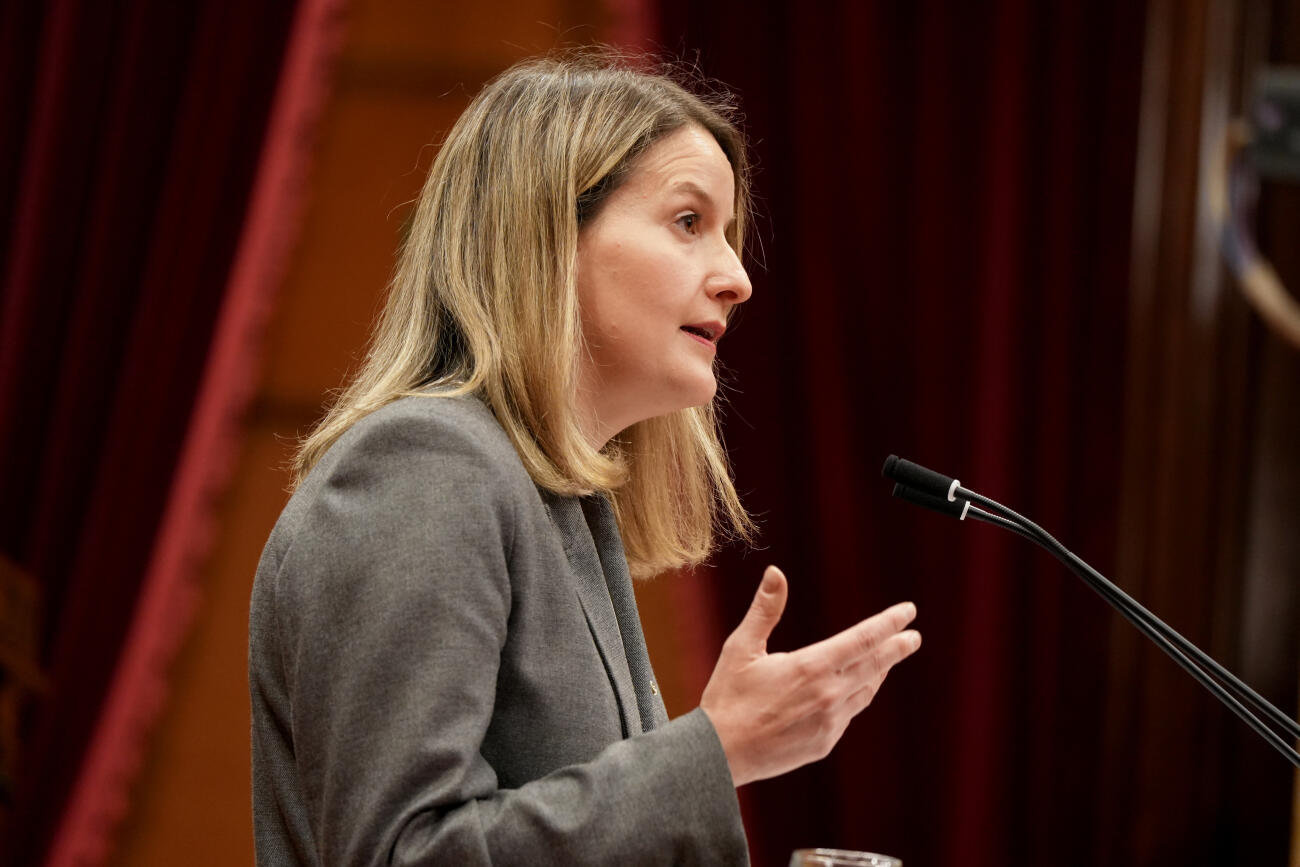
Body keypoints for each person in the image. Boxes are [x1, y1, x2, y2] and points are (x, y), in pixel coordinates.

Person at [248, 51, 921, 866]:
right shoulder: (422, 467)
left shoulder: (557, 501)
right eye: (688, 221)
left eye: (727, 234)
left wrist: (713, 755)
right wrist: (716, 750)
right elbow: (404, 853)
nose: (737, 277)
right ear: (549, 234)